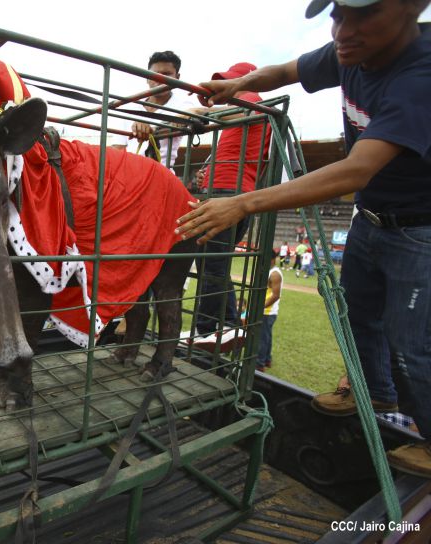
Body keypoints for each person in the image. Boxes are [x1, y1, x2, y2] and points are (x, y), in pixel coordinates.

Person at [176, 0, 431, 476]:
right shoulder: (352, 48)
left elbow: (357, 168)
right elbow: (286, 71)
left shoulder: (420, 76)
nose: (343, 30)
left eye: (363, 15)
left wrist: (244, 202)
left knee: (410, 340)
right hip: (371, 216)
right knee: (357, 314)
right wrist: (239, 84)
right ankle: (372, 391)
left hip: (419, 227)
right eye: (337, 15)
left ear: (411, 8)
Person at [190, 62, 271, 338]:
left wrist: (198, 111)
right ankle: (229, 326)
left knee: (211, 268)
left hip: (227, 194)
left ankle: (206, 331)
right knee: (215, 266)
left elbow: (235, 112)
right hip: (229, 192)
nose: (225, 87)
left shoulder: (250, 97)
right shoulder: (246, 110)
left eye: (230, 82)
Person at [112, 51, 199, 168]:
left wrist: (148, 129)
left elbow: (179, 123)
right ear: (147, 78)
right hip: (130, 176)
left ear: (177, 78)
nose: (160, 79)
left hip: (161, 176)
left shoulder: (184, 105)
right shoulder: (129, 106)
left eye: (166, 74)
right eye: (155, 74)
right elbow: (118, 149)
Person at [257, 253, 283, 371]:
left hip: (268, 311)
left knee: (262, 338)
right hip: (267, 310)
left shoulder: (274, 274)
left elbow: (275, 295)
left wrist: (260, 307)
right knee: (266, 336)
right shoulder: (269, 271)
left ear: (272, 259)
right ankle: (267, 359)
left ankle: (259, 363)